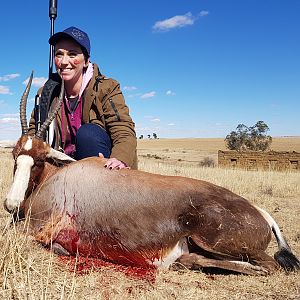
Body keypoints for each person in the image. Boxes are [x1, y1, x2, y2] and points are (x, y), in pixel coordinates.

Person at [29, 26, 137, 169]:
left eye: (72, 54)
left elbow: (123, 129)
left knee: (88, 134)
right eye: (59, 54)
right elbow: (33, 131)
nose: (64, 62)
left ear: (86, 61)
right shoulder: (46, 93)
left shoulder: (106, 88)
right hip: (60, 167)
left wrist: (120, 158)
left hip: (100, 164)